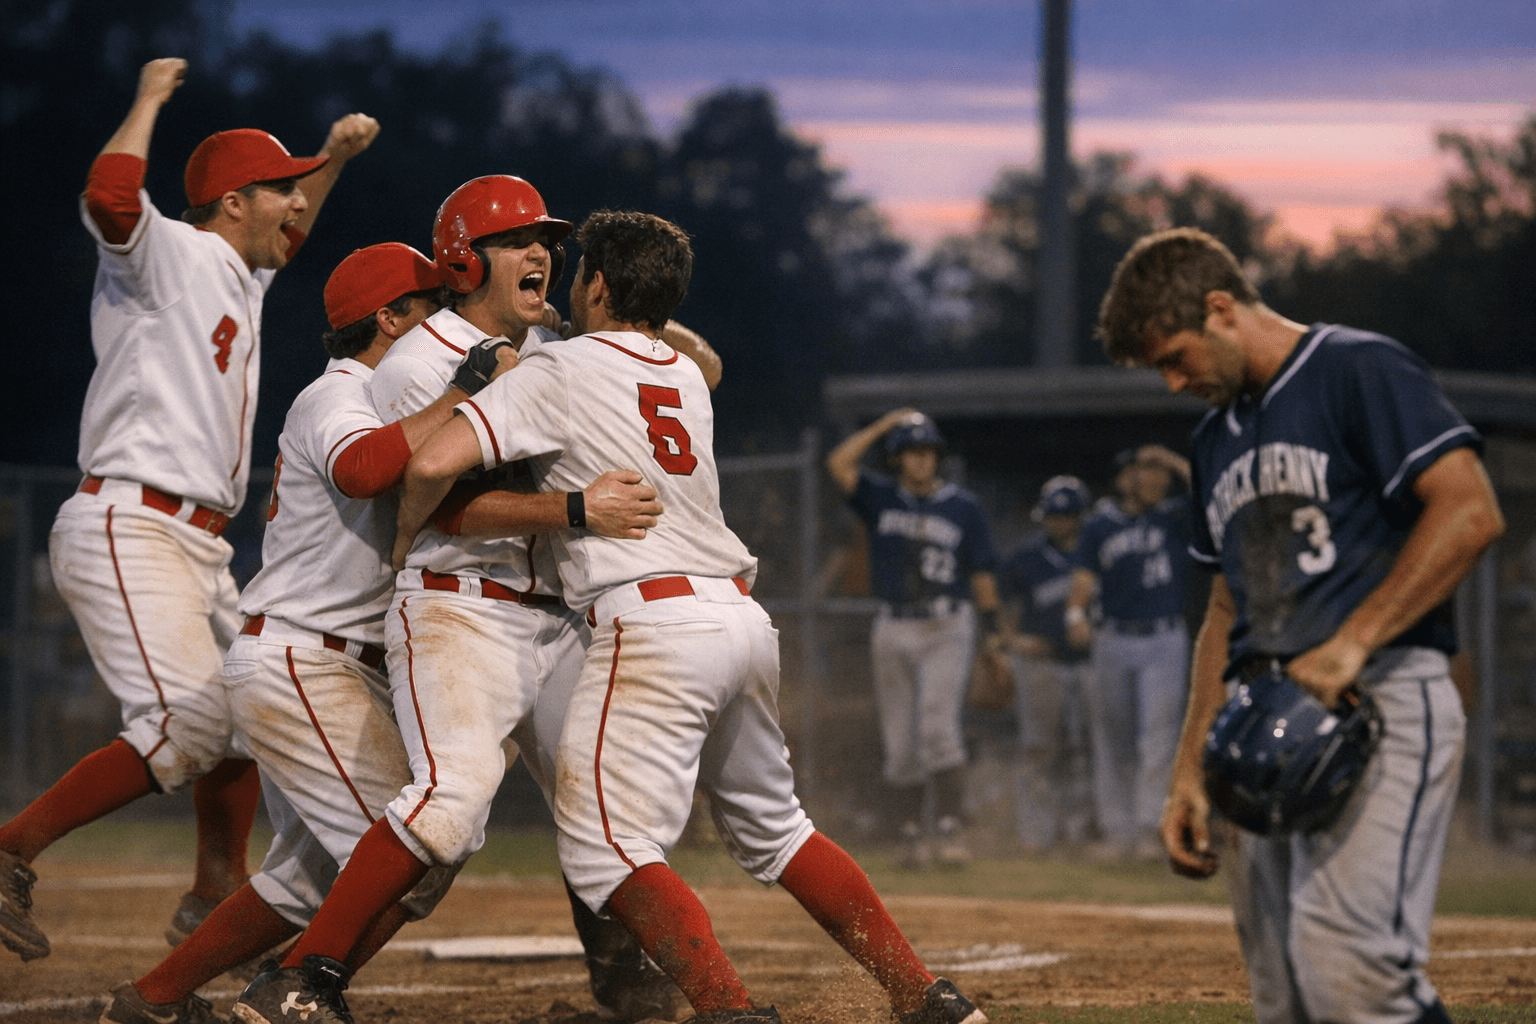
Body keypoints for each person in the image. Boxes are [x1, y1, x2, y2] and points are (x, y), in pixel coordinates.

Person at [371, 209, 988, 1024]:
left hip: (654, 625)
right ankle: (926, 997)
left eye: (578, 265)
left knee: (602, 847)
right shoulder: (685, 374)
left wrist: (408, 532)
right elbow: (661, 356)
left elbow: (431, 460)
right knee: (779, 832)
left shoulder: (558, 370)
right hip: (739, 616)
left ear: (594, 284)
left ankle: (728, 1009)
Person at [230, 182, 695, 1024]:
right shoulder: (419, 362)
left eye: (547, 239)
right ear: (462, 259)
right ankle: (301, 978)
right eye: (516, 239)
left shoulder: (549, 340)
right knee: (451, 806)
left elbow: (702, 369)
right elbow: (436, 503)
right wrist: (577, 508)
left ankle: (630, 983)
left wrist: (632, 312)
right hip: (458, 606)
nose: (541, 254)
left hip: (545, 616)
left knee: (604, 796)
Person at [0, 57, 378, 964]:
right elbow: (109, 196)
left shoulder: (241, 273)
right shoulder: (168, 252)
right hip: (129, 524)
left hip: (196, 543)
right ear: (234, 200)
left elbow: (288, 231)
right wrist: (148, 99)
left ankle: (214, 885)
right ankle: (10, 850)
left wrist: (328, 160)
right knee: (187, 726)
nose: (297, 208)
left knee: (249, 703)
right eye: (280, 190)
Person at [1098, 226, 1504, 1024]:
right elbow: (1224, 608)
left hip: (1377, 696)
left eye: (1175, 356)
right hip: (1259, 722)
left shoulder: (1357, 368)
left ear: (1220, 307)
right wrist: (1189, 771)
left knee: (1350, 970)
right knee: (1285, 996)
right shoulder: (1215, 438)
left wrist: (1354, 640)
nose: (1173, 382)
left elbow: (1468, 511)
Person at [825, 410, 1003, 868]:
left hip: (947, 624)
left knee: (937, 727)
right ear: (897, 459)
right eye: (911, 453)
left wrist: (995, 633)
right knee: (900, 742)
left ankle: (950, 830)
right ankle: (910, 834)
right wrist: (882, 426)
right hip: (893, 624)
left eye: (927, 453)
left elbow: (982, 572)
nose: (921, 461)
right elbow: (838, 464)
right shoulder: (881, 498)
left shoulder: (964, 506)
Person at [1062, 444, 1192, 861]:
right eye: (1146, 472)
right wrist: (1075, 614)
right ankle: (1117, 833)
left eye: (1162, 475)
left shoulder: (1174, 515)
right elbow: (1084, 574)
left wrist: (1171, 459)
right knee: (1114, 739)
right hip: (1114, 639)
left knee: (1158, 737)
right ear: (1125, 479)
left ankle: (1148, 830)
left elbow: (1209, 492)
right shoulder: (1100, 524)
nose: (1157, 481)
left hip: (1165, 637)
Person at [995, 476, 1095, 852]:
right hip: (1043, 666)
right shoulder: (1027, 558)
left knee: (1083, 751)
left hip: (1090, 664)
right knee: (1039, 748)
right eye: (1054, 515)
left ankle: (1079, 831)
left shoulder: (1096, 553)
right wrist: (1012, 640)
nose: (1061, 522)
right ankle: (1037, 834)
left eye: (1068, 515)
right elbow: (1001, 603)